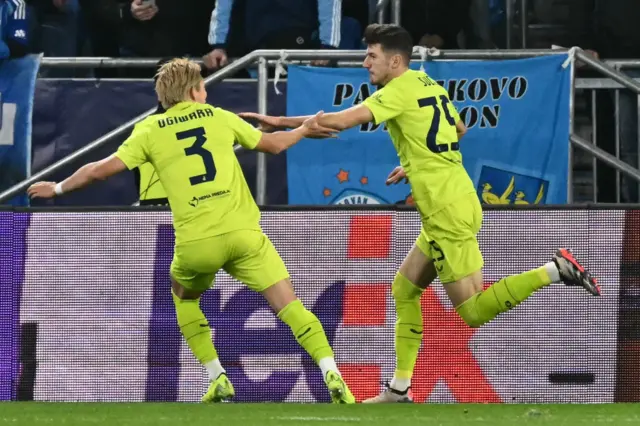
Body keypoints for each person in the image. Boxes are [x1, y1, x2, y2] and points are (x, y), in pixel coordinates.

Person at [240, 24, 600, 403]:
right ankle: (399, 388)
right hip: (450, 198)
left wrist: (280, 124)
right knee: (405, 288)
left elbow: (339, 122)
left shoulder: (397, 91)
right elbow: (458, 129)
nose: (365, 63)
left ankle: (554, 269)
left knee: (473, 311)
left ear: (395, 61)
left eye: (372, 56)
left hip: (446, 209)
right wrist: (416, 164)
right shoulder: (427, 83)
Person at [27, 58, 355, 404]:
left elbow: (99, 170)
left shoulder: (149, 130)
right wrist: (303, 130)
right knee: (291, 307)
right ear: (194, 91)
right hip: (244, 235)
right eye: (203, 85)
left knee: (183, 297)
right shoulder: (218, 116)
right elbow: (272, 146)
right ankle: (330, 370)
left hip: (197, 244)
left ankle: (218, 378)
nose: (206, 91)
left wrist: (59, 188)